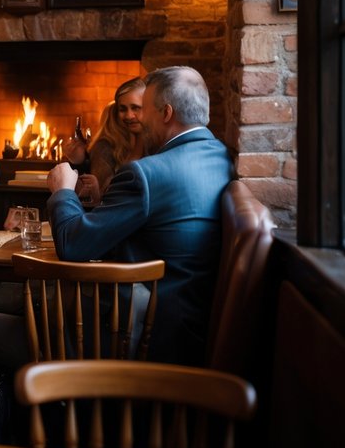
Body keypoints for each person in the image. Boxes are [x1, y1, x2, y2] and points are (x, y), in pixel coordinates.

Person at [46, 66, 232, 365]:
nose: (138, 120)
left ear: (166, 113)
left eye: (143, 110)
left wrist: (62, 192)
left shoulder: (147, 174)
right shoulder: (221, 157)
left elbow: (72, 244)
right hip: (192, 324)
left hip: (146, 331)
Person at [69, 77, 147, 206]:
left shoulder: (156, 146)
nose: (128, 115)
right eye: (123, 109)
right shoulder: (113, 146)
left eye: (135, 108)